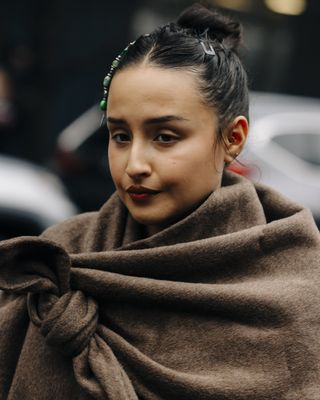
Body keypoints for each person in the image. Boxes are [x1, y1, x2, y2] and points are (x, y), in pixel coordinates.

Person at [1, 3, 320, 399]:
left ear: (233, 138)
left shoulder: (294, 284)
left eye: (165, 137)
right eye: (120, 136)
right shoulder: (58, 259)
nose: (134, 164)